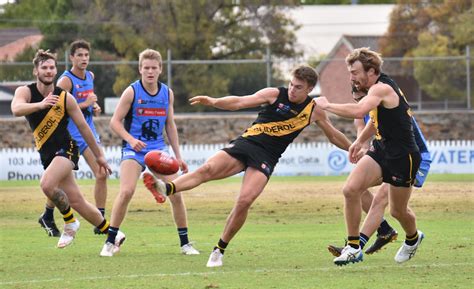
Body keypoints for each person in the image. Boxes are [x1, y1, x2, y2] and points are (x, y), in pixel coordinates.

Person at [142, 65, 352, 267]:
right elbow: (239, 102)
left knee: (244, 200)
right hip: (246, 144)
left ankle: (219, 249)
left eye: (298, 87)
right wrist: (214, 101)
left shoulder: (314, 110)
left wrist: (354, 148)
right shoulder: (274, 94)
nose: (292, 90)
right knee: (207, 169)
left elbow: (333, 135)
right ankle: (166, 188)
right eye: (290, 84)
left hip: (267, 157)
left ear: (309, 89)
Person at [315, 47, 424, 265]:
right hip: (382, 149)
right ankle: (354, 247)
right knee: (351, 189)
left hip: (404, 157)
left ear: (371, 71)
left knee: (397, 211)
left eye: (355, 72)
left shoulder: (381, 89)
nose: (352, 78)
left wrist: (327, 105)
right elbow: (375, 121)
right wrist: (359, 140)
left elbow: (359, 111)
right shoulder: (374, 89)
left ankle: (413, 238)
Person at [11, 49, 124, 250]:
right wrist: (40, 105)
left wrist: (99, 156)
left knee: (46, 185)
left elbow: (84, 128)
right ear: (36, 71)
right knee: (77, 200)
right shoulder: (26, 92)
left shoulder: (65, 98)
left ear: (56, 71)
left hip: (67, 148)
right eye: (44, 67)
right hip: (47, 154)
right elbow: (16, 109)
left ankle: (70, 222)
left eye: (52, 67)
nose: (48, 71)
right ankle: (113, 234)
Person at [101, 48, 199, 257]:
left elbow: (170, 126)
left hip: (158, 150)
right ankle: (110, 242)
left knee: (176, 192)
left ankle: (185, 244)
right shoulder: (132, 92)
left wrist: (178, 156)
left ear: (160, 70)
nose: (150, 72)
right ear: (140, 69)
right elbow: (114, 122)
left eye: (154, 68)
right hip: (133, 150)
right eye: (146, 68)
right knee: (126, 191)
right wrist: (130, 139)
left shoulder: (167, 93)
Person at [327, 87, 431, 257]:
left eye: (363, 98)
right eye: (357, 100)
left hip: (415, 157)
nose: (361, 104)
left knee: (389, 205)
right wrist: (361, 147)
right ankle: (382, 231)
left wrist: (328, 105)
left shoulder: (387, 107)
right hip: (389, 156)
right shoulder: (361, 116)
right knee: (355, 189)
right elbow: (364, 135)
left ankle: (360, 245)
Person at [38, 40, 108, 236]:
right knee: (61, 180)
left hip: (88, 131)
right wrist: (85, 104)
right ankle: (49, 214)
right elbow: (58, 109)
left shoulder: (90, 76)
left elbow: (86, 103)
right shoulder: (65, 81)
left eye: (86, 55)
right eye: (79, 55)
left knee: (102, 173)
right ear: (71, 58)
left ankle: (99, 218)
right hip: (72, 134)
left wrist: (94, 107)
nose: (84, 59)